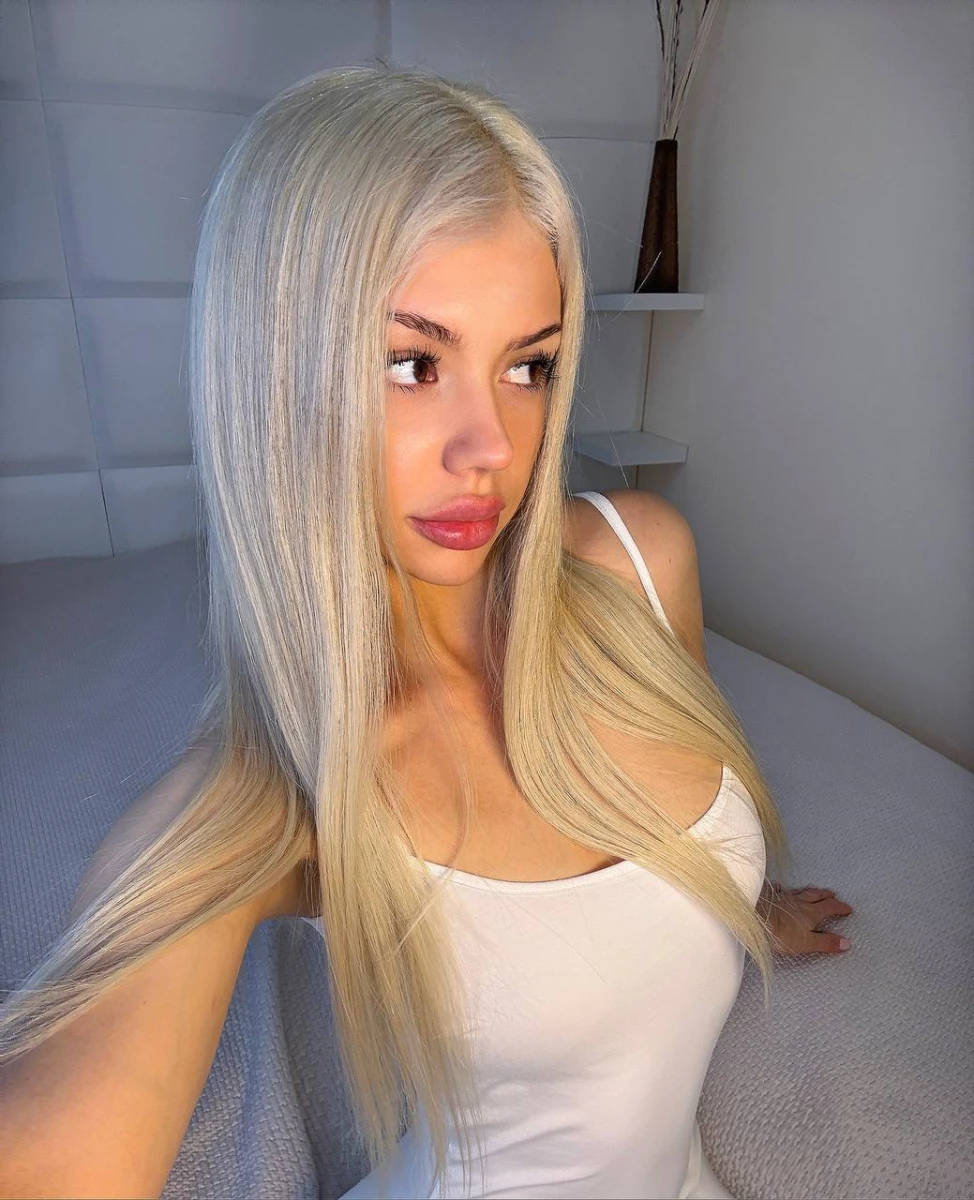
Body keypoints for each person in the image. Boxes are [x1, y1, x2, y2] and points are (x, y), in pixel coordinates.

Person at [0, 65, 852, 1199]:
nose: (491, 446)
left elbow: (681, 796)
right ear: (276, 379)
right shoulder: (272, 790)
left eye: (528, 366)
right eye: (412, 364)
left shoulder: (641, 559)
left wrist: (738, 898)